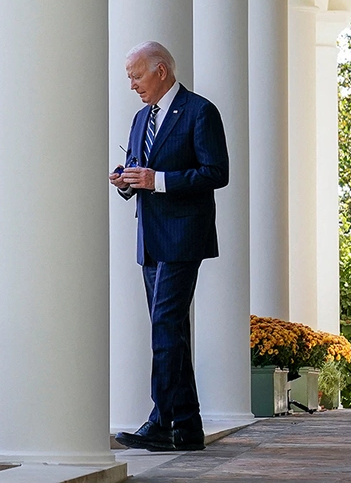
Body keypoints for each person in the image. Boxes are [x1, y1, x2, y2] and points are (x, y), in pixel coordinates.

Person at [109, 41, 229, 452]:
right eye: (129, 77)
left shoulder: (201, 111)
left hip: (183, 235)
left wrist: (157, 180)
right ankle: (188, 427)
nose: (132, 85)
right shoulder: (141, 117)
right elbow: (141, 172)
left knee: (164, 326)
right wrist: (127, 180)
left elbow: (216, 172)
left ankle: (161, 421)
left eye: (136, 76)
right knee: (172, 331)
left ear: (161, 71)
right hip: (151, 237)